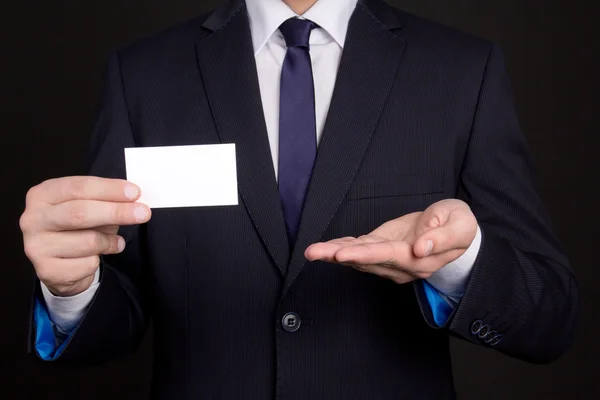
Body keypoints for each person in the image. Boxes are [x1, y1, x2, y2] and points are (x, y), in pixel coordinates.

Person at [20, 0, 579, 398]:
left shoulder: (462, 70)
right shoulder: (143, 74)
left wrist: (461, 265)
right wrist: (71, 290)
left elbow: (549, 321)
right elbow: (118, 313)